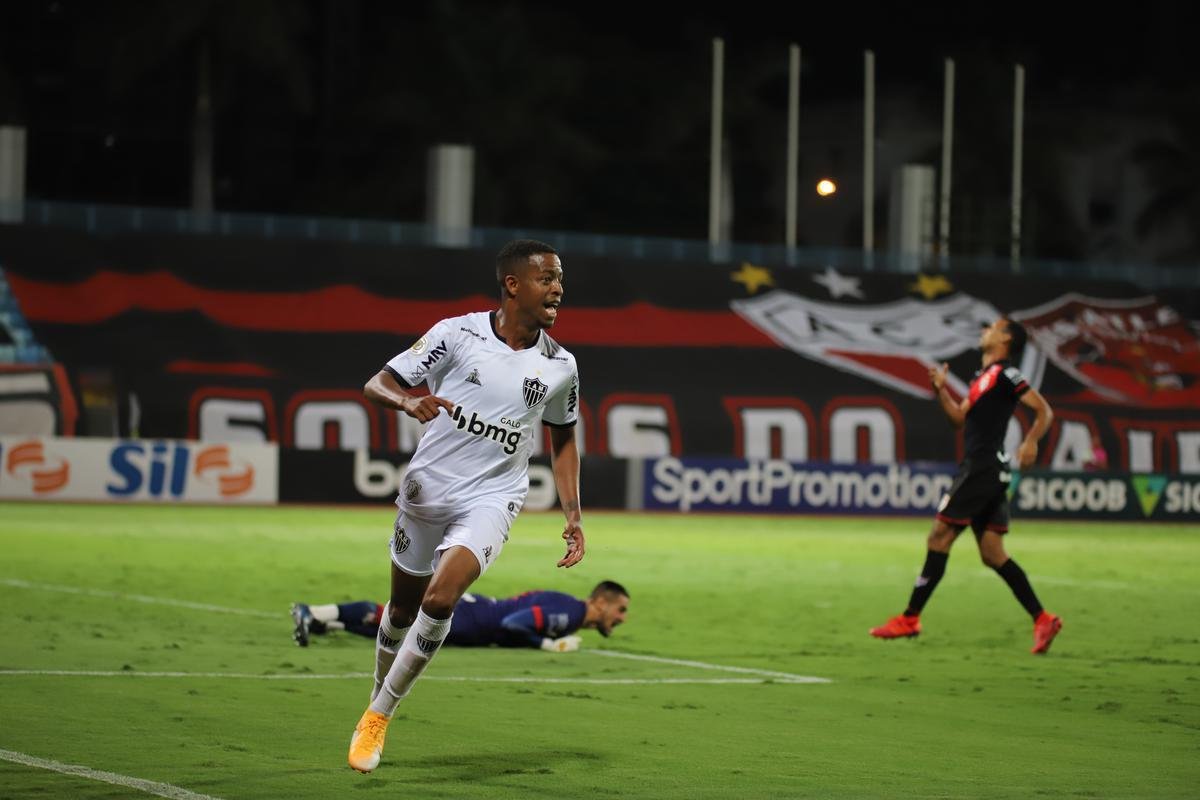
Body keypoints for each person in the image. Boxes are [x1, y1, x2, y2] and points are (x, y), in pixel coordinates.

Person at [347, 240, 585, 774]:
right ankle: (376, 695)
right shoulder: (456, 333)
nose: (558, 288)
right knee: (401, 610)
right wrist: (410, 400)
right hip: (428, 491)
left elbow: (563, 438)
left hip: (494, 497)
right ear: (513, 284)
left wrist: (573, 513)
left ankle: (379, 716)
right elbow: (377, 383)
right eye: (547, 278)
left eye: (560, 278)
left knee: (440, 598)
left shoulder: (561, 366)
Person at [869, 317, 1064, 654]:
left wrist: (1031, 441)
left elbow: (1043, 411)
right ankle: (1042, 618)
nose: (984, 330)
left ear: (1005, 339)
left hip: (982, 469)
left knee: (939, 536)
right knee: (992, 553)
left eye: (992, 327)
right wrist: (941, 391)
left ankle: (910, 618)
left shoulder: (1006, 374)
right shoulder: (981, 378)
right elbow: (958, 419)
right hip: (987, 469)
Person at [290, 580, 629, 652]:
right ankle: (313, 611)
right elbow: (513, 624)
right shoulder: (568, 612)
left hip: (473, 616)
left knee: (398, 633)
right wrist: (547, 646)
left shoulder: (567, 607)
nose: (622, 618)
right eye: (620, 609)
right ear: (600, 602)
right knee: (389, 619)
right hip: (472, 616)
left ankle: (323, 623)